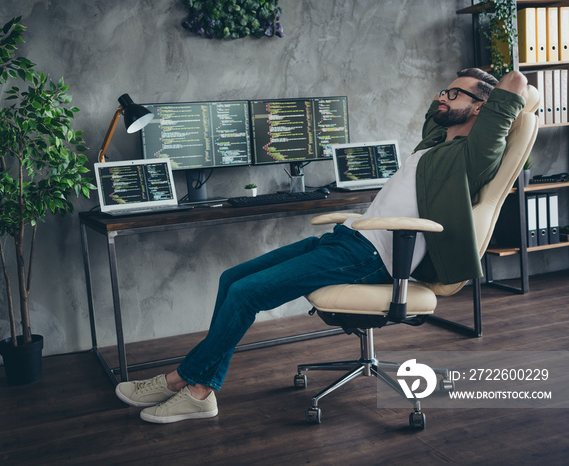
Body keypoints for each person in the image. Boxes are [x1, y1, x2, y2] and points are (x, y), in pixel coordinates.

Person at [115, 69, 528, 424]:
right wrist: (456, 94)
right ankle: (199, 388)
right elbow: (438, 112)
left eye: (454, 93)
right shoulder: (436, 141)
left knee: (246, 294)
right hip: (347, 239)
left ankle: (187, 386)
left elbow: (517, 83)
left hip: (369, 256)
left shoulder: (476, 154)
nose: (441, 97)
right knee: (232, 278)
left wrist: (498, 96)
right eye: (443, 89)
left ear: (482, 107)